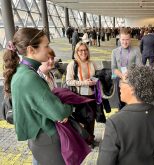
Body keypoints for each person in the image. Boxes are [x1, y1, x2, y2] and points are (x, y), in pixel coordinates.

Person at [3, 27, 72, 165]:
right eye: (46, 46)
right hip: (47, 140)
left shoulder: (21, 72)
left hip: (38, 139)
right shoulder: (30, 77)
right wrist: (70, 108)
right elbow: (59, 112)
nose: (48, 49)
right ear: (31, 50)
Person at [97, 65, 154, 165]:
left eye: (122, 81)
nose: (119, 85)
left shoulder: (115, 122)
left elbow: (105, 161)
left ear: (132, 88)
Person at [66, 41, 97, 145]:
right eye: (81, 50)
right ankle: (83, 140)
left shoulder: (91, 63)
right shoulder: (73, 64)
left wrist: (95, 81)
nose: (83, 52)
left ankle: (90, 138)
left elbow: (96, 77)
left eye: (85, 50)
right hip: (79, 97)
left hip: (91, 95)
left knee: (91, 118)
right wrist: (83, 83)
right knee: (81, 119)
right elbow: (68, 81)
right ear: (77, 52)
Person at [111, 27, 142, 110]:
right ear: (119, 39)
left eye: (127, 39)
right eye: (123, 39)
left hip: (133, 81)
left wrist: (129, 73)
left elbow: (140, 67)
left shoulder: (136, 50)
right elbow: (113, 68)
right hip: (120, 81)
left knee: (133, 104)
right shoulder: (115, 52)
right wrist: (121, 75)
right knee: (121, 103)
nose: (125, 42)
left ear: (130, 39)